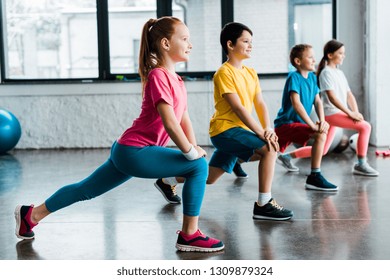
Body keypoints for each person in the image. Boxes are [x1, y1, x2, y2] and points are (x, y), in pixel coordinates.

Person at [14, 17, 224, 253]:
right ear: (166, 43)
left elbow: (183, 117)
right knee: (198, 167)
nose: (190, 44)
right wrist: (189, 152)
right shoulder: (158, 75)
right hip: (135, 151)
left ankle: (31, 215)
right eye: (185, 39)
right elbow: (169, 121)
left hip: (127, 150)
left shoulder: (176, 79)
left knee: (86, 190)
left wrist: (194, 147)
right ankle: (189, 235)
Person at [155, 22, 293, 221]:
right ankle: (264, 203)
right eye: (245, 41)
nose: (250, 45)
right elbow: (238, 108)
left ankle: (166, 181)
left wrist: (268, 128)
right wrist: (262, 134)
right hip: (225, 131)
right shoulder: (224, 73)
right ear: (230, 44)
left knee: (209, 177)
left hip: (240, 132)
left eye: (251, 42)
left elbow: (260, 103)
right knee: (270, 149)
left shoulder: (250, 73)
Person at [274, 44, 338, 192]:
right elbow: (296, 104)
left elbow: (317, 101)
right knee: (320, 135)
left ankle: (236, 161)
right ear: (298, 61)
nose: (314, 60)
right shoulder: (293, 77)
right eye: (310, 57)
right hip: (286, 125)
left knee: (267, 151)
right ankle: (315, 176)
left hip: (297, 125)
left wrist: (322, 121)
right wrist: (313, 125)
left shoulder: (312, 77)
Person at [316, 39, 379, 176]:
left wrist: (355, 111)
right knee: (365, 126)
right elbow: (332, 98)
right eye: (340, 53)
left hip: (338, 113)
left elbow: (349, 95)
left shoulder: (339, 73)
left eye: (344, 53)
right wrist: (350, 113)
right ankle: (361, 164)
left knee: (323, 149)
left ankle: (287, 157)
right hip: (331, 114)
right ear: (330, 55)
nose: (343, 56)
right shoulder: (326, 73)